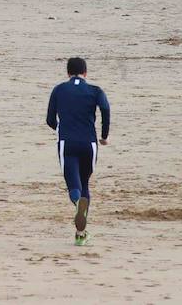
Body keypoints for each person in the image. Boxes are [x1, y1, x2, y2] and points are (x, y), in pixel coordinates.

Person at [46, 57, 111, 247]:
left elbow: (50, 119)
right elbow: (105, 108)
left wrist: (61, 128)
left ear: (67, 73)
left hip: (67, 143)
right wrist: (104, 135)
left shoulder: (59, 90)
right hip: (89, 143)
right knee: (85, 184)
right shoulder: (95, 90)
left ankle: (77, 206)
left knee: (74, 185)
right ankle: (80, 233)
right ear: (86, 73)